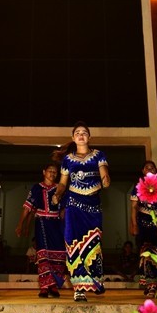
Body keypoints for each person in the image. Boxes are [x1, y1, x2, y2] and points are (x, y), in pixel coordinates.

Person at [52, 121, 110, 302]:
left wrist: (105, 179)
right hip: (73, 205)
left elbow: (104, 176)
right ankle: (78, 288)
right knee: (73, 244)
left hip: (93, 207)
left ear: (89, 137)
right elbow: (62, 183)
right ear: (73, 137)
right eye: (77, 132)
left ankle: (94, 281)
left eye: (84, 132)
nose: (81, 135)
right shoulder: (68, 160)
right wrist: (57, 194)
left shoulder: (98, 155)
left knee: (93, 244)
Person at [15, 161, 68, 298]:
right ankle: (45, 286)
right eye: (50, 170)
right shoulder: (36, 188)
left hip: (56, 224)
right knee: (44, 254)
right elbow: (27, 208)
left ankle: (54, 285)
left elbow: (64, 209)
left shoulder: (60, 189)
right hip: (42, 223)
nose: (52, 173)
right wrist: (21, 224)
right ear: (44, 172)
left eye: (55, 172)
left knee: (59, 254)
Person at [130, 160, 157, 296]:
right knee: (147, 254)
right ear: (143, 171)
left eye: (152, 167)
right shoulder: (138, 187)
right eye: (147, 167)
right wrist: (134, 225)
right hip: (144, 223)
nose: (150, 169)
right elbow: (133, 208)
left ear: (156, 171)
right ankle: (151, 285)